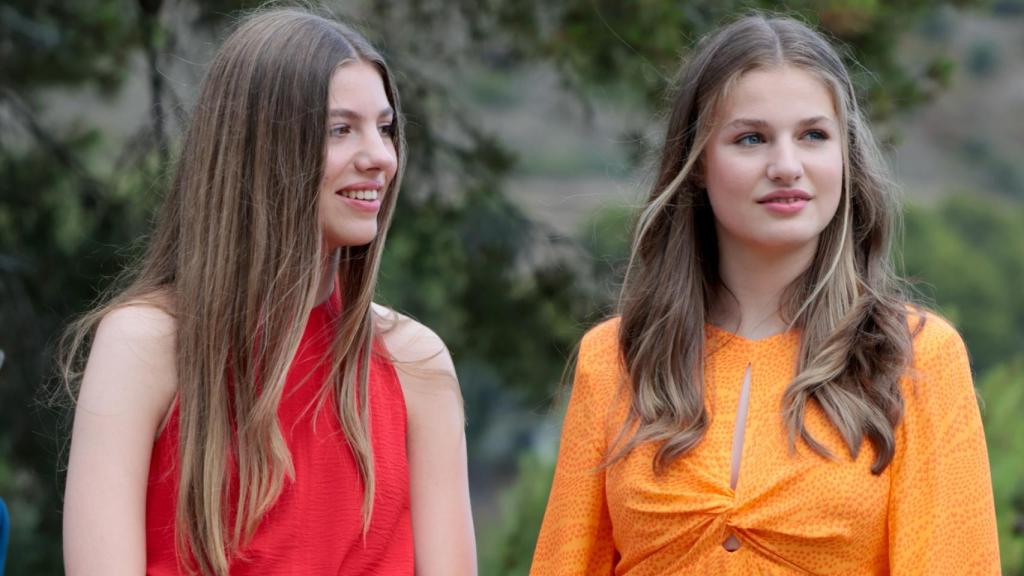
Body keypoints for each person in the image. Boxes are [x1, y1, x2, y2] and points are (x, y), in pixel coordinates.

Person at [531, 13, 1000, 575]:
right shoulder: (614, 358)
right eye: (751, 138)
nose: (786, 166)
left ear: (844, 159)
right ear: (699, 163)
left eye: (813, 136)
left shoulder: (917, 358)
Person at [60, 7, 476, 576]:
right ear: (261, 149)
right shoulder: (145, 344)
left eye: (384, 128)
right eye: (340, 129)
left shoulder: (416, 362)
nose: (380, 157)